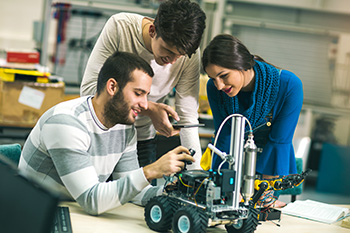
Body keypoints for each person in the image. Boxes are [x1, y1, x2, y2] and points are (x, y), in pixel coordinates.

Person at [18, 51, 195, 215]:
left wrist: (172, 191)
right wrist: (152, 170)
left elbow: (135, 192)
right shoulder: (66, 123)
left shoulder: (124, 127)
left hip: (73, 210)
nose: (145, 104)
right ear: (112, 87)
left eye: (146, 95)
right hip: (33, 213)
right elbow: (92, 200)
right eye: (138, 93)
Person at [80, 0, 206, 170]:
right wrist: (150, 109)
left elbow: (188, 116)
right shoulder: (121, 28)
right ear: (153, 30)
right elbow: (89, 91)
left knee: (144, 196)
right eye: (168, 51)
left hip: (141, 140)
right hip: (102, 136)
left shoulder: (189, 53)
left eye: (180, 56)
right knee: (100, 194)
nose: (172, 61)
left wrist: (195, 172)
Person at [201, 34, 303, 206]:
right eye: (213, 78)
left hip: (267, 170)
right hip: (232, 164)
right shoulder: (215, 89)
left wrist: (265, 194)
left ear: (242, 65)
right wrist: (223, 188)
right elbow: (224, 136)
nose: (218, 85)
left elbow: (278, 142)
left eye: (223, 76)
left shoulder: (289, 86)